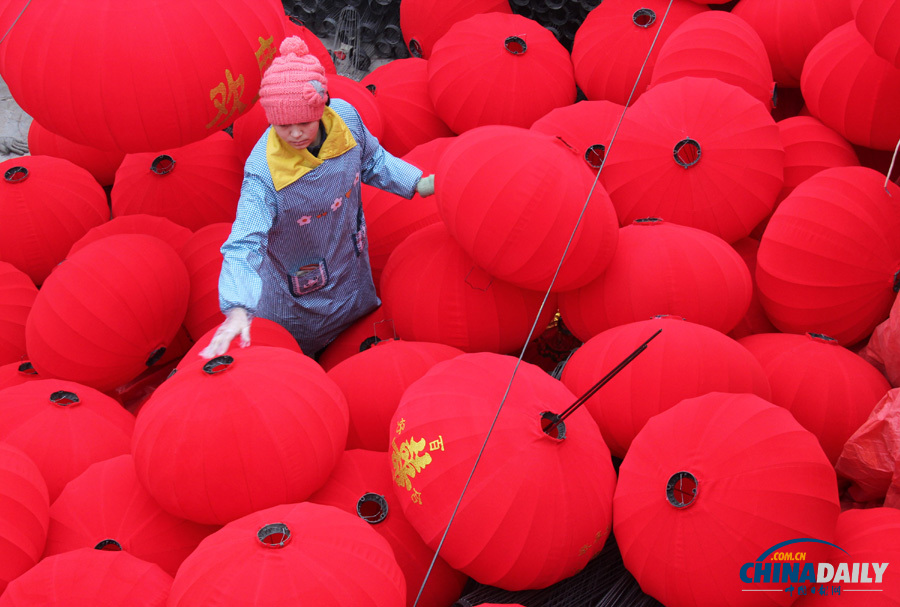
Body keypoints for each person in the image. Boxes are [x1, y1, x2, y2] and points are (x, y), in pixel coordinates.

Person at [200, 36, 435, 359]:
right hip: (297, 291)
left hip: (349, 257)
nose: (295, 134)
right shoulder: (265, 172)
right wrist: (238, 306)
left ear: (322, 108)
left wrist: (415, 182)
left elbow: (373, 160)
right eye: (283, 126)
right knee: (301, 345)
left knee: (357, 324)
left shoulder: (346, 120)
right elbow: (244, 242)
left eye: (304, 123)